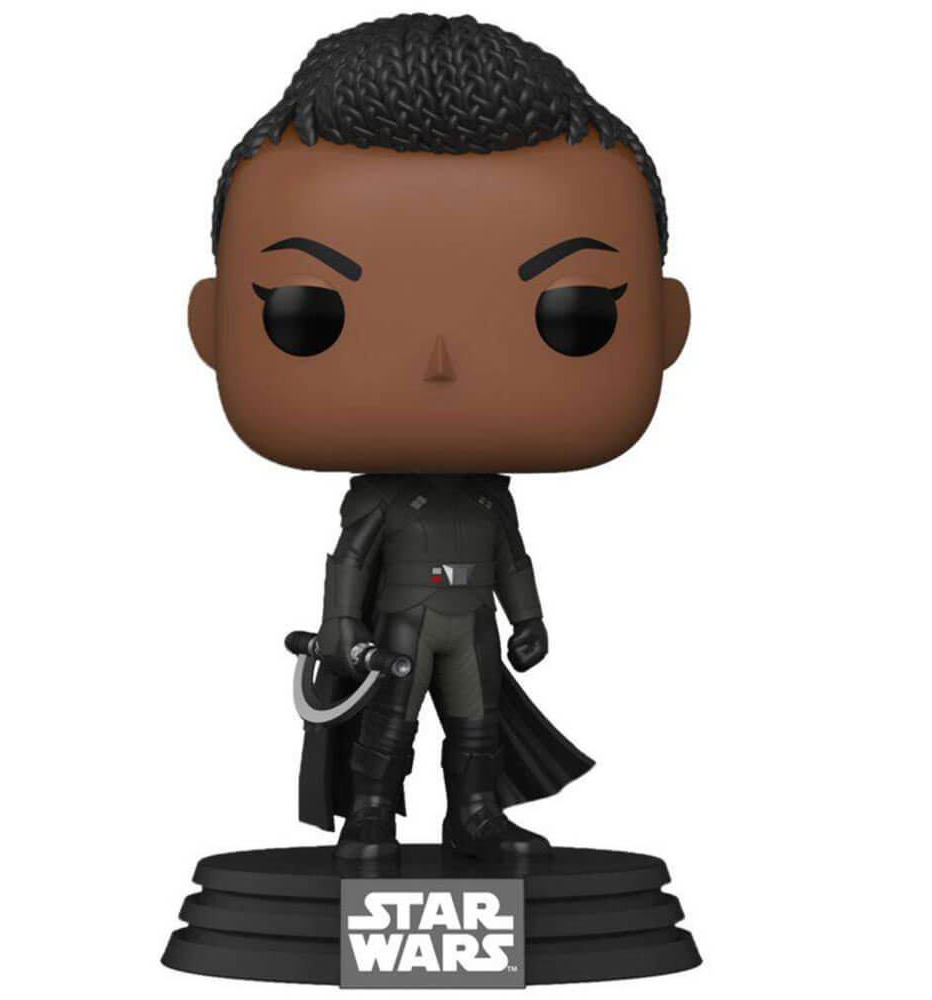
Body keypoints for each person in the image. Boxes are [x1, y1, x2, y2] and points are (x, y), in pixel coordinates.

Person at [187, 13, 690, 862]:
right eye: (308, 314)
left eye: (575, 314)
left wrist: (528, 618)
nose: (440, 363)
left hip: (469, 623)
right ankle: (371, 818)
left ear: (667, 328)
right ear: (212, 327)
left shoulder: (491, 499)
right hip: (402, 625)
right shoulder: (381, 500)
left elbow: (513, 558)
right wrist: (341, 629)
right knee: (389, 727)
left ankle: (476, 817)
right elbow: (350, 560)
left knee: (478, 724)